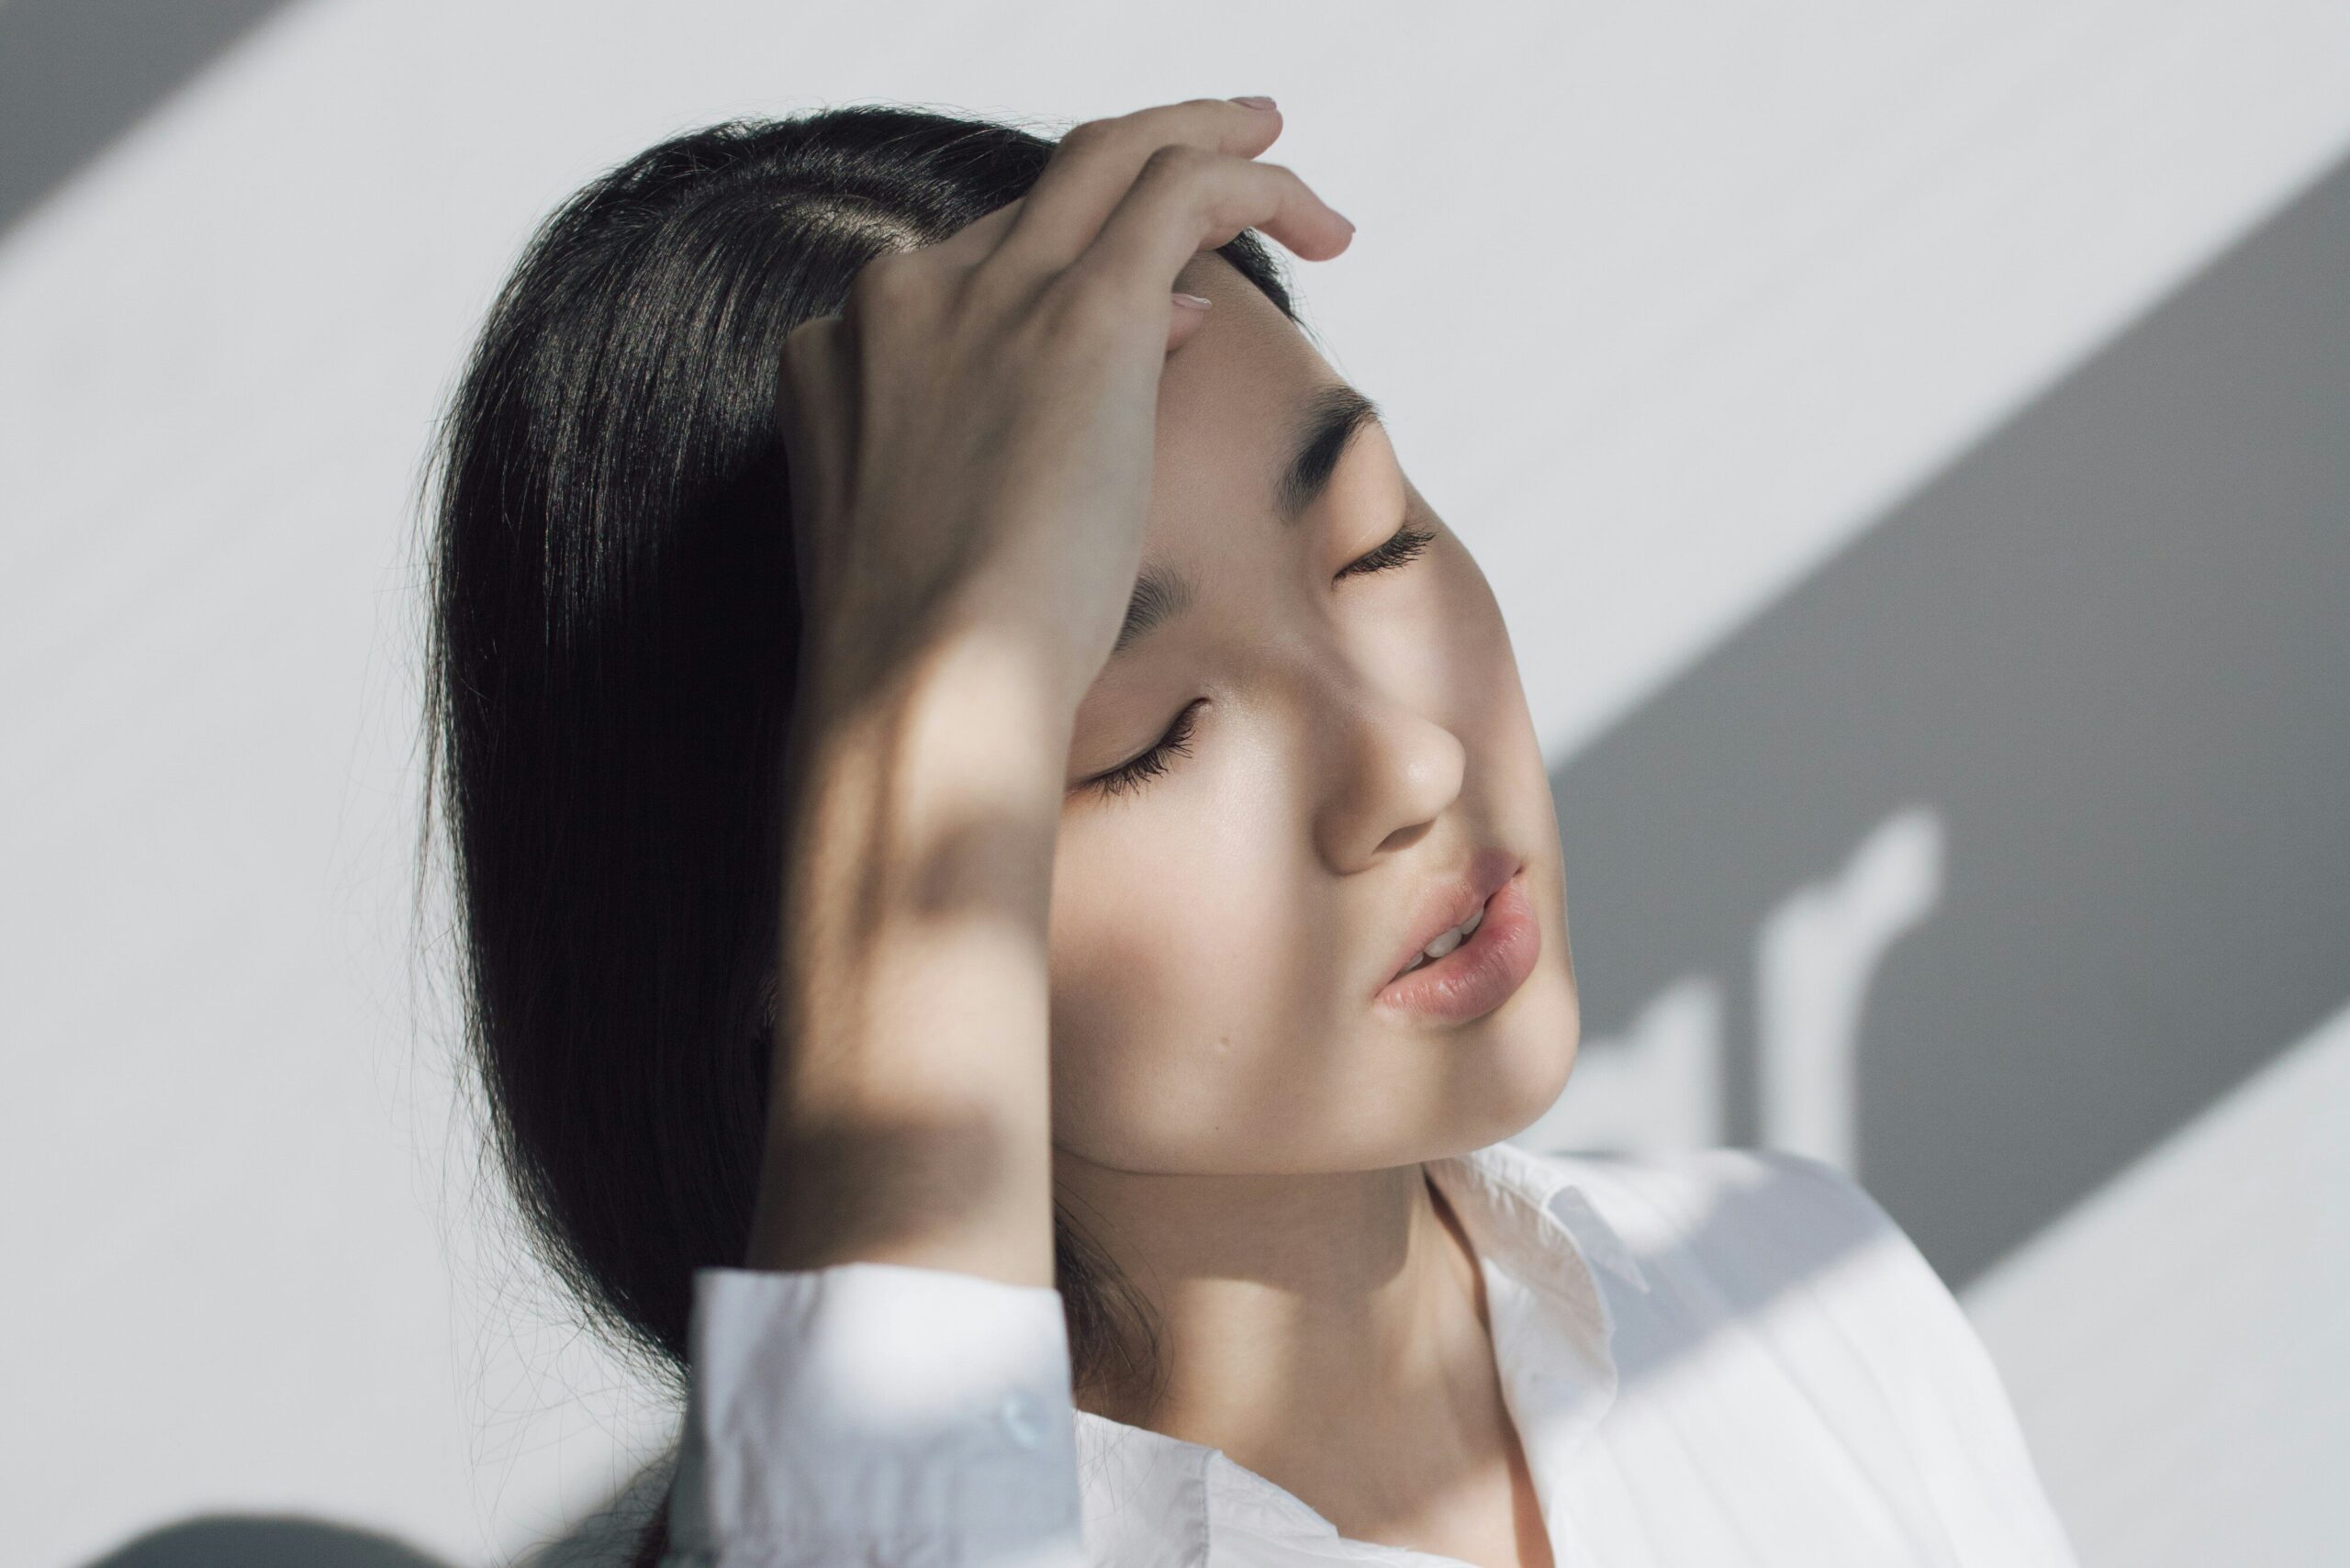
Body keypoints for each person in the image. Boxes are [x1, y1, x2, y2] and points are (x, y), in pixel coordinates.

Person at [422, 95, 2080, 1567]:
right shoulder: (861, 1519)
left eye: (1374, 543)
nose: (1410, 762)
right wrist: (936, 699)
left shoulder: (1804, 1302)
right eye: (1142, 738)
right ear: (815, 914)